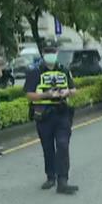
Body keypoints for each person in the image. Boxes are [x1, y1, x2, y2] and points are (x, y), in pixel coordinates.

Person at [24, 55, 78, 194]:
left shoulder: (63, 70)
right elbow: (29, 94)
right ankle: (50, 177)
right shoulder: (34, 71)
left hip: (62, 113)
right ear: (43, 53)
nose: (50, 54)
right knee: (48, 148)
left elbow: (73, 90)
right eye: (47, 51)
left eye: (53, 51)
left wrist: (67, 92)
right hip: (43, 115)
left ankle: (63, 181)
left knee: (62, 144)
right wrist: (46, 95)